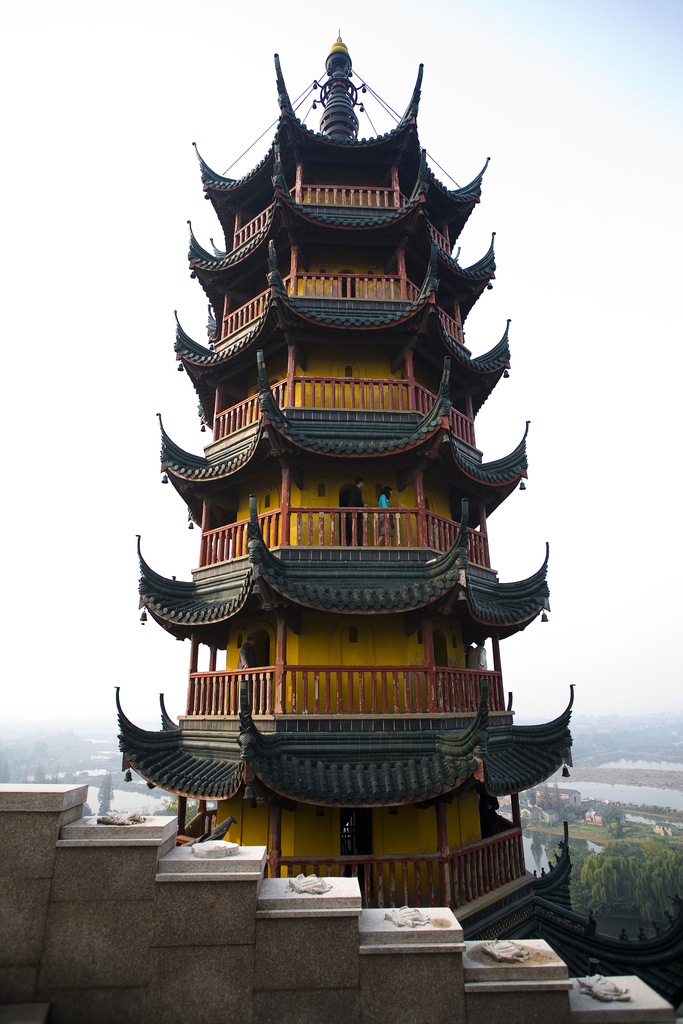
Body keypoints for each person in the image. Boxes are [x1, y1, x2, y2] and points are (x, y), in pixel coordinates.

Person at [346, 476, 364, 545]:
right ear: (360, 483)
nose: (363, 485)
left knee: (356, 529)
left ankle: (353, 542)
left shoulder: (355, 490)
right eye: (362, 483)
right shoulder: (356, 490)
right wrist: (363, 505)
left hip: (353, 513)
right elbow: (356, 501)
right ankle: (355, 543)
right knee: (358, 530)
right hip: (355, 513)